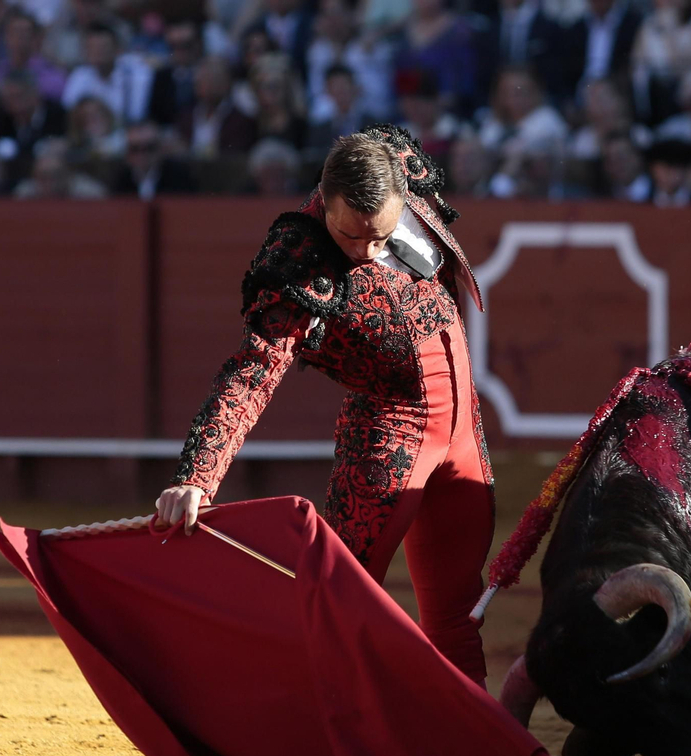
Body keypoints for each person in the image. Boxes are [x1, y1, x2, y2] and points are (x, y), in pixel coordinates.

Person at [156, 127, 495, 686]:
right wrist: (197, 475)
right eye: (349, 233)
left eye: (381, 235)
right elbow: (252, 373)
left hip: (465, 433)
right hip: (389, 437)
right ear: (324, 199)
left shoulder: (399, 167)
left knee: (456, 616)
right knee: (336, 605)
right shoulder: (299, 257)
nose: (366, 250)